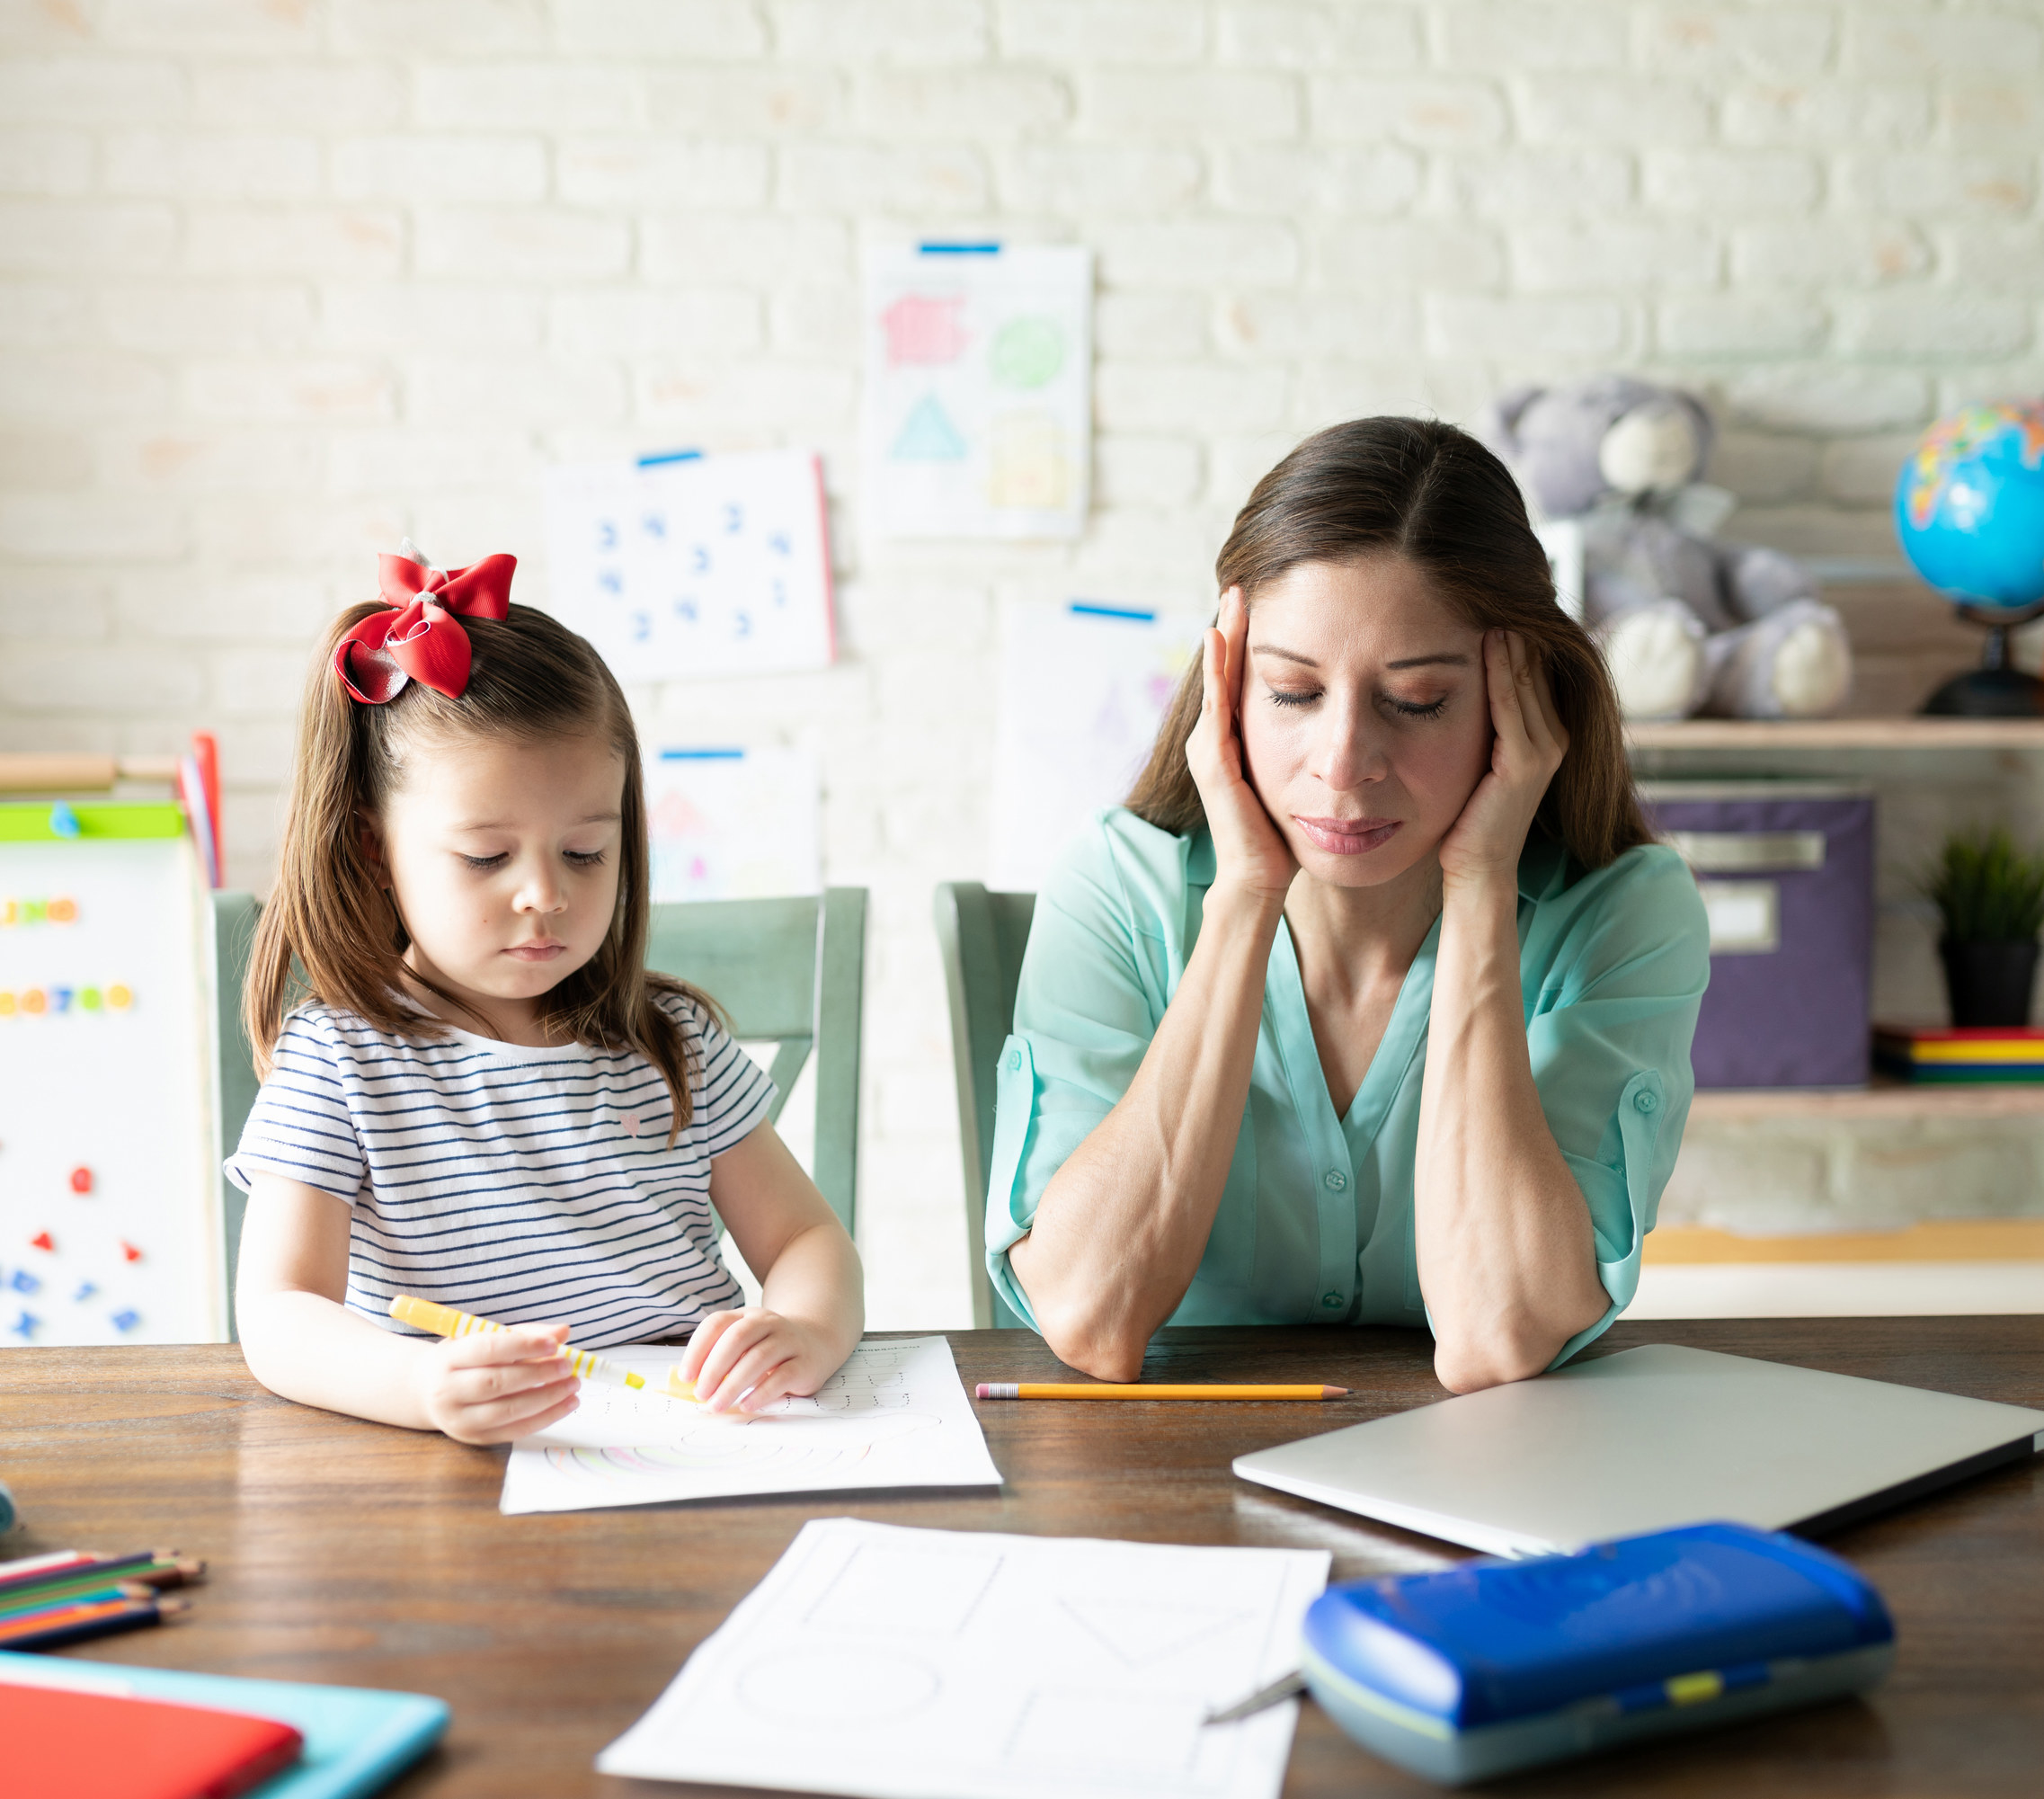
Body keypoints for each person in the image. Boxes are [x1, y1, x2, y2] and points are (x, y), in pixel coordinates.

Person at [986, 418, 1708, 1394]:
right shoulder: (1117, 889)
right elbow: (1089, 1314)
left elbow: (1499, 1335)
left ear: (1519, 696)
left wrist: (1483, 881)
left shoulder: (1624, 915)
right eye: (1291, 691)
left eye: (1414, 702)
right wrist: (1245, 897)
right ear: (1228, 684)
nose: (1342, 763)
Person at [231, 548, 863, 1444]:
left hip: (694, 1455)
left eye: (585, 852)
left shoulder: (671, 1041)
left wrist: (801, 1327)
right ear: (377, 851)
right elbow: (279, 1311)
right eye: (488, 857)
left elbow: (809, 1242)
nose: (547, 895)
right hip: (451, 1477)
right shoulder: (342, 1060)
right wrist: (418, 1385)